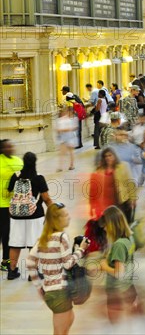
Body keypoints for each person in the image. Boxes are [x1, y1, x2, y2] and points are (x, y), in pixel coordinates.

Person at [26, 203, 90, 335]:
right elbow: (68, 264)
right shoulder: (61, 237)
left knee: (68, 320)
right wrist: (81, 249)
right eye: (66, 215)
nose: (69, 217)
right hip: (59, 292)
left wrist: (39, 287)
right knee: (60, 331)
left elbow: (30, 261)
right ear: (57, 219)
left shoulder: (43, 239)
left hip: (51, 291)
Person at [5, 152, 53, 280]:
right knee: (34, 244)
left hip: (17, 215)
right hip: (35, 215)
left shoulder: (15, 177)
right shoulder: (39, 178)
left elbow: (10, 191)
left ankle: (12, 271)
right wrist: (54, 210)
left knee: (15, 243)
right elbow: (46, 198)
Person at [98, 206, 138, 324]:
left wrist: (104, 266)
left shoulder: (119, 245)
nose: (105, 230)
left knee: (117, 326)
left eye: (105, 226)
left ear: (112, 225)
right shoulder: (130, 237)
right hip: (129, 288)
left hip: (118, 294)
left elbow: (119, 273)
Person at [0, 139, 23, 271]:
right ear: (2, 149)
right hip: (1, 203)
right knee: (4, 232)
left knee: (7, 233)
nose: (10, 149)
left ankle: (5, 261)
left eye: (11, 146)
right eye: (6, 147)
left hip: (12, 204)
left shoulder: (18, 161)